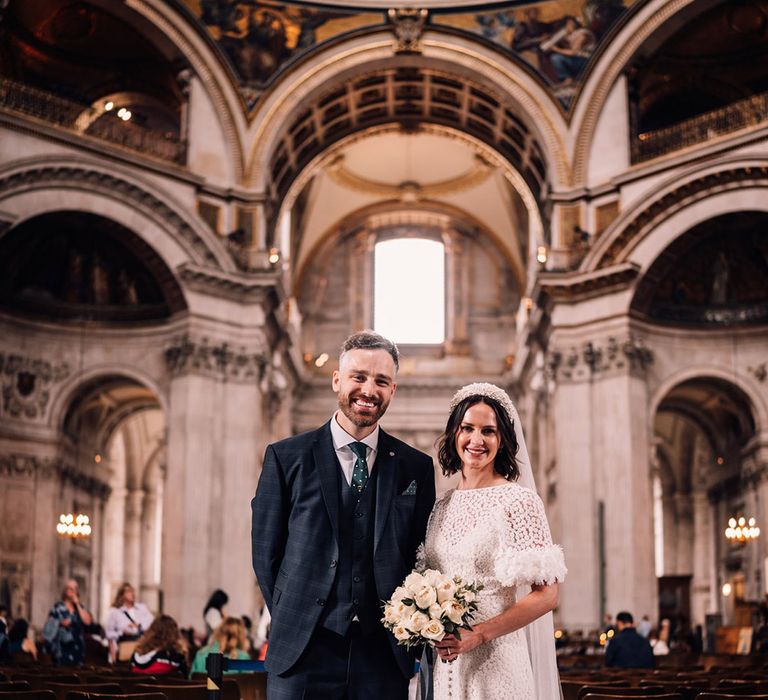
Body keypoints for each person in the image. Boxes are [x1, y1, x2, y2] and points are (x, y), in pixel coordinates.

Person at [252, 330, 436, 699]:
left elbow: (421, 554)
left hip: (383, 654)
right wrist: (297, 611)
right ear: (337, 380)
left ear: (392, 390)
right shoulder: (286, 458)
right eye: (359, 377)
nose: (369, 389)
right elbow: (265, 555)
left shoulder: (415, 468)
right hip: (302, 652)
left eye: (381, 381)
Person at [423, 383, 567, 700]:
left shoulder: (519, 502)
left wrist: (479, 634)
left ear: (501, 441)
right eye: (467, 428)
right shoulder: (440, 506)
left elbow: (547, 595)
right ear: (453, 434)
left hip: (498, 660)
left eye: (488, 431)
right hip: (447, 664)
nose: (477, 440)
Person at [43, 579, 93, 666]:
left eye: (73, 588)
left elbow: (87, 622)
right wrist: (59, 623)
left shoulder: (80, 607)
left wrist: (77, 604)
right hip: (61, 650)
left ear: (77, 591)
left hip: (78, 650)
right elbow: (47, 629)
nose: (70, 590)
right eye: (68, 588)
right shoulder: (57, 607)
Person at [105, 582, 154, 663]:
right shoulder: (115, 612)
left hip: (142, 645)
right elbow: (110, 635)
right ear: (122, 594)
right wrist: (122, 632)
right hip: (125, 645)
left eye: (133, 591)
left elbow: (151, 622)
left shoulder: (142, 608)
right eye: (129, 591)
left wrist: (139, 626)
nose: (132, 594)